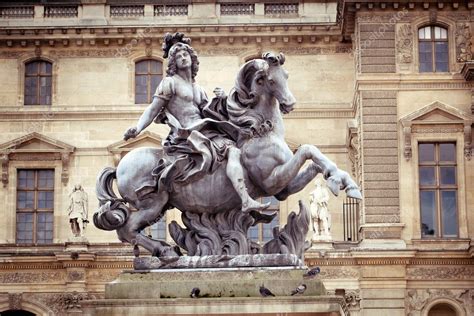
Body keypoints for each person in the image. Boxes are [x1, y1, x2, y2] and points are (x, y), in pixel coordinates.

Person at [124, 33, 269, 213]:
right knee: (232, 150)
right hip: (186, 134)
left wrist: (222, 99)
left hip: (204, 130)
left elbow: (209, 112)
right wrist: (137, 128)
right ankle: (245, 199)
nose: (183, 58)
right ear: (173, 63)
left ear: (192, 59)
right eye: (178, 57)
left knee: (237, 144)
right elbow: (153, 109)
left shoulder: (197, 88)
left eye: (185, 55)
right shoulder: (169, 83)